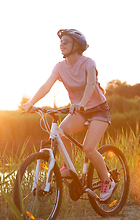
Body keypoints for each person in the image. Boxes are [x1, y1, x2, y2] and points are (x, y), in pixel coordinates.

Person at [22, 29, 115, 202]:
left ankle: (107, 181)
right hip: (79, 110)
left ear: (76, 45)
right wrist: (31, 102)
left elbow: (91, 83)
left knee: (88, 148)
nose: (61, 44)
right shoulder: (59, 67)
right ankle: (69, 167)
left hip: (98, 109)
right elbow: (46, 86)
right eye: (61, 42)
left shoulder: (88, 63)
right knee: (61, 131)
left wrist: (82, 103)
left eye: (66, 41)